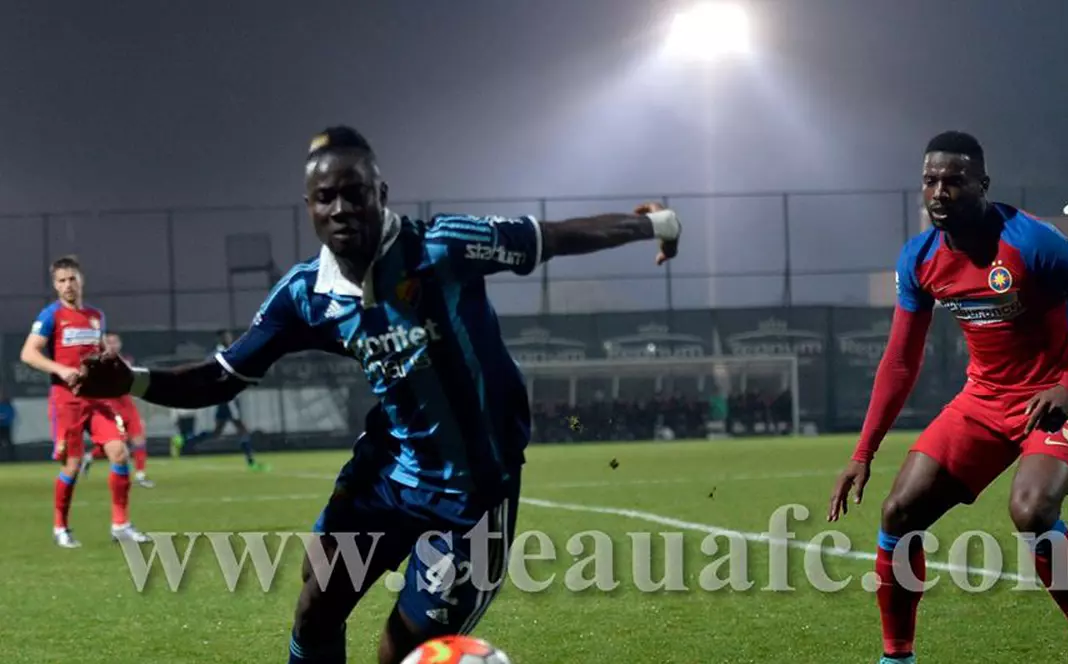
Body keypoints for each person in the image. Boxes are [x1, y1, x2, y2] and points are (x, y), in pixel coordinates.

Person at [73, 125, 682, 663]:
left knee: (403, 651)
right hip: (385, 477)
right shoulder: (304, 295)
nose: (341, 208)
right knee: (315, 609)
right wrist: (133, 379)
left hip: (473, 496)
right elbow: (222, 375)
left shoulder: (443, 248)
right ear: (308, 209)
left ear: (381, 194)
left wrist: (651, 224)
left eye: (354, 192)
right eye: (325, 197)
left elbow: (553, 236)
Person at [827, 131, 1068, 664]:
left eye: (954, 181)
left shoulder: (1032, 242)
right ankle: (897, 659)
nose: (939, 192)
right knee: (898, 514)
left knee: (1032, 511)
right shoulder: (919, 258)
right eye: (930, 181)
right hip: (983, 400)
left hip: (1054, 397)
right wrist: (862, 454)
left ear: (982, 185)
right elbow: (900, 361)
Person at [20, 255, 151, 548]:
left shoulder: (96, 316)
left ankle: (121, 525)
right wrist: (62, 369)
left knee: (119, 453)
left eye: (72, 279)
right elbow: (28, 354)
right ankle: (60, 528)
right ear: (55, 285)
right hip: (66, 402)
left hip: (97, 399)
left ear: (81, 281)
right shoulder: (50, 316)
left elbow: (98, 351)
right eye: (62, 280)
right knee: (73, 465)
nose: (68, 285)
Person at [170, 329, 266, 471]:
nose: (229, 338)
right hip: (229, 397)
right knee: (242, 429)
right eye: (227, 337)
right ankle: (252, 463)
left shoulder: (227, 352)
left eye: (230, 336)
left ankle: (183, 440)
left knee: (217, 432)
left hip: (224, 397)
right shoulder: (219, 354)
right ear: (221, 338)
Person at [102, 332, 154, 487]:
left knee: (139, 438)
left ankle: (140, 475)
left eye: (115, 342)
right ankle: (91, 456)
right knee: (118, 444)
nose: (112, 345)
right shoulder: (99, 362)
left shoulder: (127, 361)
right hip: (111, 407)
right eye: (109, 342)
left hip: (128, 405)